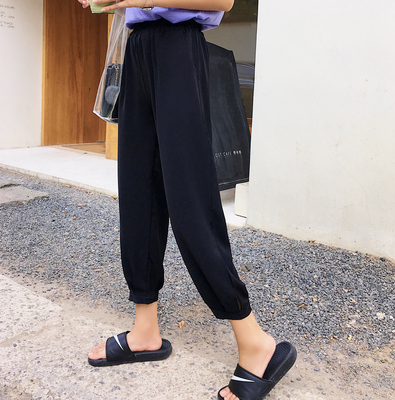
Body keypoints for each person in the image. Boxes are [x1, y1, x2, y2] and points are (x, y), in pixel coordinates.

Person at [77, 1, 297, 399]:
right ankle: (145, 329)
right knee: (138, 193)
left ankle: (255, 341)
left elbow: (223, 1)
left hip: (179, 47)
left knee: (190, 199)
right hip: (137, 46)